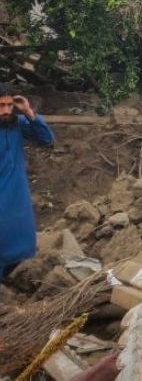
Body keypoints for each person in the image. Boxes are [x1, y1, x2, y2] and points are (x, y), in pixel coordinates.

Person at [0, 84, 55, 283]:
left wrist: (28, 112)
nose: (6, 111)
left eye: (9, 105)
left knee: (20, 238)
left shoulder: (17, 124)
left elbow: (47, 139)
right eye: (1, 106)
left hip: (18, 195)